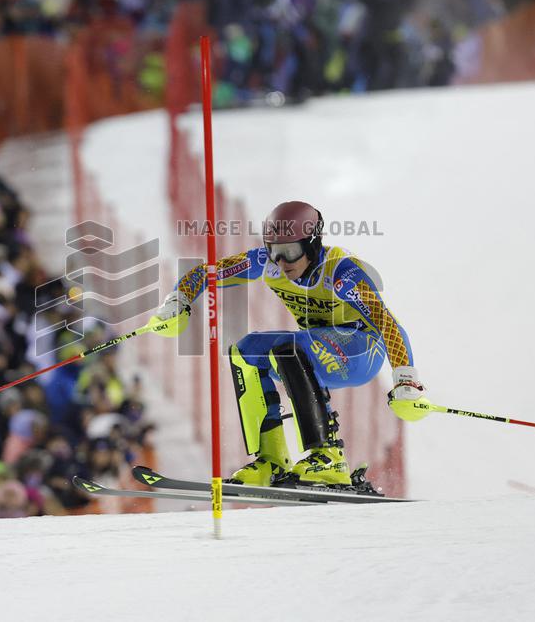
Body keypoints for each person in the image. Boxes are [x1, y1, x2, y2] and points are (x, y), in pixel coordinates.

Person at [146, 201, 429, 487]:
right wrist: (178, 300)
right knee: (246, 351)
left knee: (289, 347)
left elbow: (387, 323)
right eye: (274, 250)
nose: (282, 262)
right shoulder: (268, 264)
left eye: (290, 252)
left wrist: (406, 380)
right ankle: (271, 458)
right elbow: (205, 274)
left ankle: (329, 455)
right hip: (316, 349)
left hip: (360, 352)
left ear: (312, 243)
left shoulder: (342, 271)